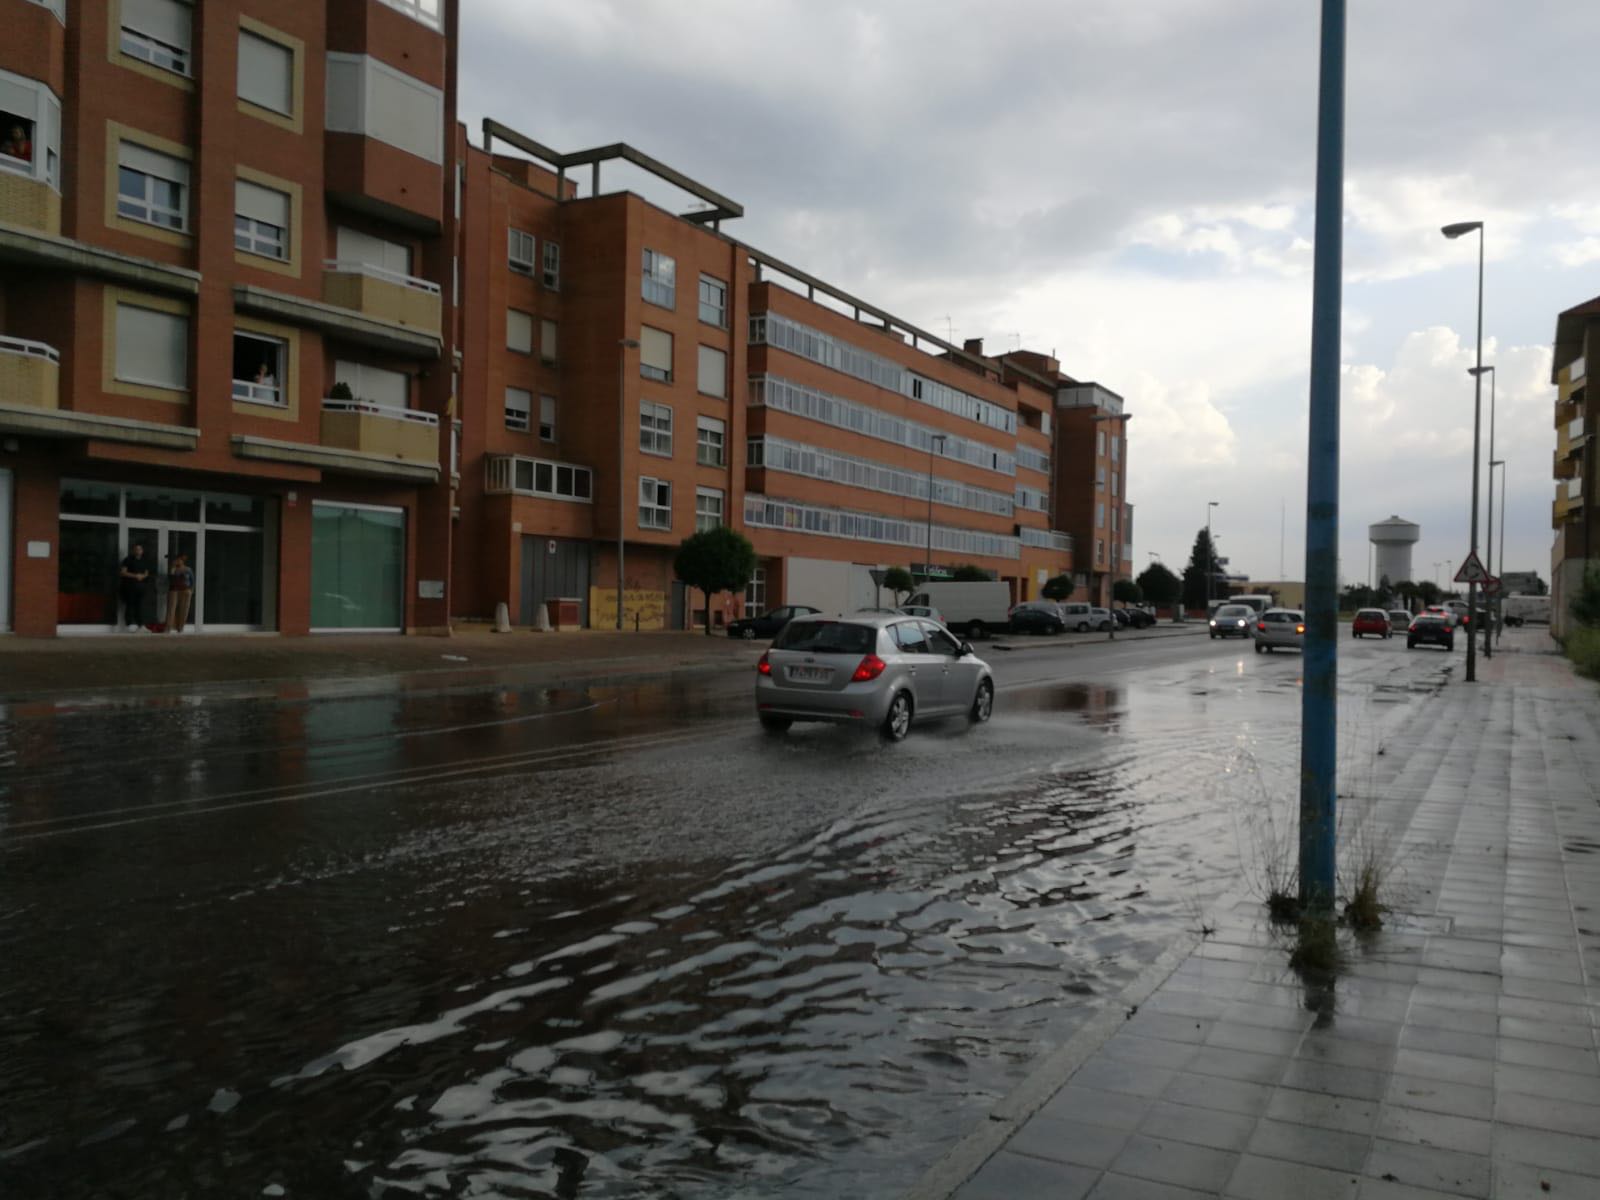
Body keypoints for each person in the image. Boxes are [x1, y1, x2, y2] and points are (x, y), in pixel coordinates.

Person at [118, 542, 152, 630]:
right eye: (136, 549)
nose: (138, 551)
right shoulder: (128, 559)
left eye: (139, 549)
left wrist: (142, 576)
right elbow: (123, 572)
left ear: (142, 551)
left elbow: (146, 573)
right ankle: (128, 625)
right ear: (133, 550)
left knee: (139, 606)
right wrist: (135, 576)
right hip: (129, 587)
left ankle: (140, 625)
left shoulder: (145, 560)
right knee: (130, 605)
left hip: (140, 587)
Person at [165, 553, 194, 633]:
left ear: (182, 561)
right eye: (176, 560)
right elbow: (170, 580)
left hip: (185, 590)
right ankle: (168, 627)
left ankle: (180, 627)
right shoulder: (173, 569)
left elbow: (192, 580)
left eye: (179, 560)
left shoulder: (188, 569)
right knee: (171, 608)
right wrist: (172, 570)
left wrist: (191, 590)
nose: (178, 561)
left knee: (184, 609)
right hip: (174, 590)